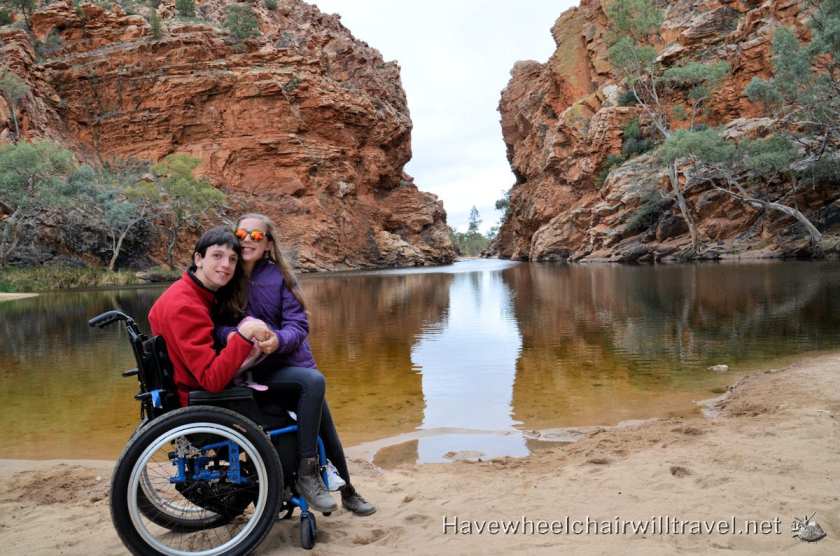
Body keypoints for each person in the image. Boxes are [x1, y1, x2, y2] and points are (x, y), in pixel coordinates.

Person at [213, 213, 375, 517]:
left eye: (256, 236)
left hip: (289, 366)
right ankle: (307, 474)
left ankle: (347, 491)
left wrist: (276, 340)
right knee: (314, 385)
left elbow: (298, 326)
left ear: (268, 244)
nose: (247, 239)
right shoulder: (226, 277)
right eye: (242, 233)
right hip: (250, 372)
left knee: (327, 431)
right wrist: (238, 335)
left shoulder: (280, 278)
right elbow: (215, 328)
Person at [148, 226, 272, 407]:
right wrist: (245, 334)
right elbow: (211, 380)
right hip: (196, 403)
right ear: (199, 259)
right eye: (217, 255)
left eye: (232, 259)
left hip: (188, 392)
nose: (226, 265)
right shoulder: (185, 305)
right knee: (303, 388)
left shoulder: (189, 292)